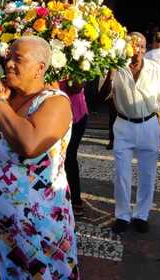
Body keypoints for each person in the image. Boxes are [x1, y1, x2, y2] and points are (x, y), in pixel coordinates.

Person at [0, 36, 79, 278]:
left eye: (18, 59)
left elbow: (30, 145)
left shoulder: (55, 102)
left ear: (40, 68)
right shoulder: (2, 101)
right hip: (0, 220)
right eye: (8, 58)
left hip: (39, 223)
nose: (9, 64)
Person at [99, 32, 160, 234]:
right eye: (134, 46)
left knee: (147, 174)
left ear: (146, 49)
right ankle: (122, 215)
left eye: (142, 47)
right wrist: (110, 74)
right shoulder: (116, 68)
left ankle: (141, 215)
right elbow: (101, 97)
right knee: (121, 174)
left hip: (149, 126)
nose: (137, 50)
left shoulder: (155, 69)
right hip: (123, 126)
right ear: (126, 47)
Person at [59, 80, 88, 217]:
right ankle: (57, 195)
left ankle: (75, 199)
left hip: (76, 115)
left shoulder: (75, 60)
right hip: (50, 111)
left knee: (69, 156)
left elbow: (76, 88)